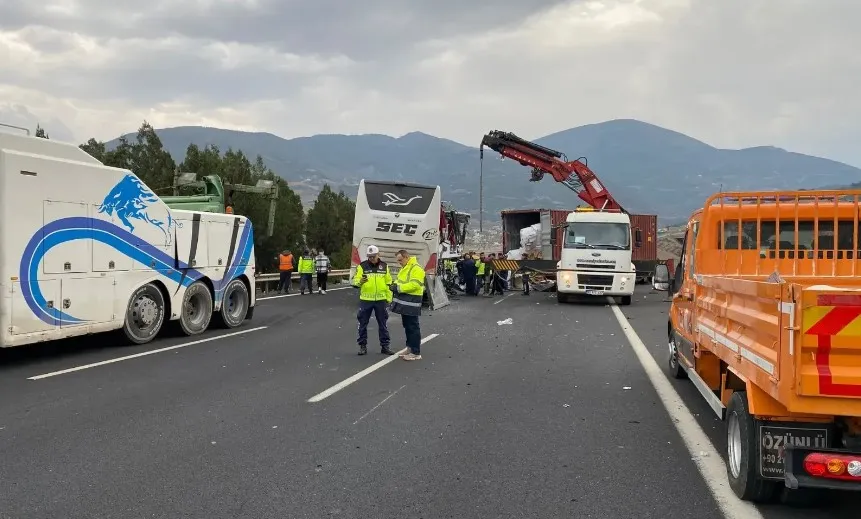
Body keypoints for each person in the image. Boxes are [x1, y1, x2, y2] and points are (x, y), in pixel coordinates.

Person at [352, 245, 394, 356]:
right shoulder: (362, 266)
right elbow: (355, 281)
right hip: (366, 300)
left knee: (383, 324)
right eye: (369, 256)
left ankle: (385, 346)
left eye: (373, 256)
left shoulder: (384, 266)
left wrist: (388, 298)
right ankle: (362, 346)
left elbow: (389, 283)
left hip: (381, 300)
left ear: (378, 255)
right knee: (362, 324)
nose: (371, 258)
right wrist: (360, 281)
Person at [390, 249, 426, 361]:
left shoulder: (416, 269)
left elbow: (415, 285)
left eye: (400, 260)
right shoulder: (405, 268)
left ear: (406, 257)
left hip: (412, 302)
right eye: (398, 261)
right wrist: (394, 285)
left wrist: (399, 288)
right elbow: (400, 280)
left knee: (413, 327)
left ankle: (416, 352)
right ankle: (409, 347)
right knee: (407, 326)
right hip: (405, 302)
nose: (399, 262)